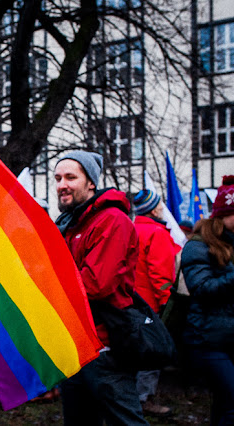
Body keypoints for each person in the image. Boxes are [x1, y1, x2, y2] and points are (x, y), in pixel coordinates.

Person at [54, 150, 148, 425]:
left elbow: (96, 284)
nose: (62, 184)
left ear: (91, 182)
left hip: (106, 348)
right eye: (58, 178)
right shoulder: (72, 222)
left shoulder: (111, 221)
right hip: (77, 347)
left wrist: (48, 285)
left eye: (71, 177)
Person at [180, 175, 234, 425]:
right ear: (223, 215)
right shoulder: (198, 246)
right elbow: (201, 288)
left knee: (225, 404)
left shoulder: (230, 243)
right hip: (208, 341)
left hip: (228, 336)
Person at [132, 189, 179, 415]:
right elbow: (161, 275)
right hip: (151, 304)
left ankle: (133, 397)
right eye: (159, 204)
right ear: (153, 209)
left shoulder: (132, 229)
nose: (162, 208)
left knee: (135, 352)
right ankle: (144, 400)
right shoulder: (156, 233)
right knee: (152, 352)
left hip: (132, 303)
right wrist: (166, 303)